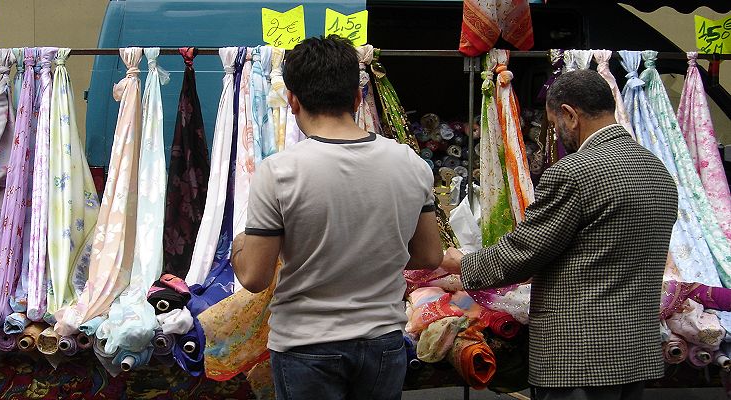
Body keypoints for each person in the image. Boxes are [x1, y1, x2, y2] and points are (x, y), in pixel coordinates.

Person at [441, 69, 678, 400]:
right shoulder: (657, 170)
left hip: (579, 357)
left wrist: (462, 263)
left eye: (554, 124)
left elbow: (524, 251)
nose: (557, 133)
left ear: (570, 114)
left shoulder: (574, 172)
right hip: (635, 352)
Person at [231, 35, 445, 400]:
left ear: (293, 100)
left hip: (306, 346)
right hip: (383, 342)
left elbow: (253, 277)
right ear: (357, 96)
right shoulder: (409, 162)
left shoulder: (280, 172)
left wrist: (240, 247)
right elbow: (429, 256)